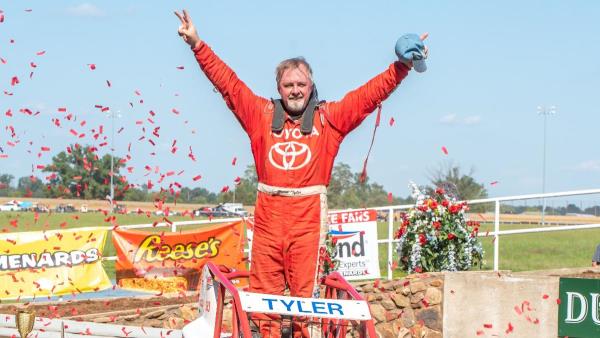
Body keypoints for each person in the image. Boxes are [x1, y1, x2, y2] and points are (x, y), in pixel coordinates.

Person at [175, 9, 428, 337]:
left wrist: (402, 66)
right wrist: (197, 44)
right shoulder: (260, 115)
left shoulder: (330, 119)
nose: (295, 90)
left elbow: (369, 95)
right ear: (279, 88)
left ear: (311, 87)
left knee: (305, 304)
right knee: (262, 301)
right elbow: (228, 84)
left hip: (307, 221)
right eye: (288, 84)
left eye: (301, 84)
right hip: (267, 219)